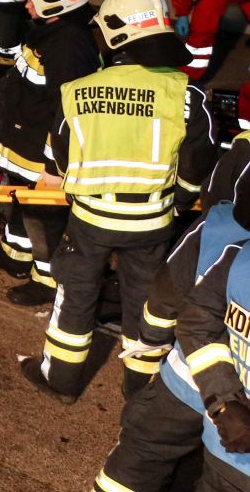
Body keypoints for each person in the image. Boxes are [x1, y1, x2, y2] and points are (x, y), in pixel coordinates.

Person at [19, 0, 218, 404]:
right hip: (153, 224)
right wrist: (179, 202)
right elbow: (198, 161)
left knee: (75, 294)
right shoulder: (187, 96)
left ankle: (61, 380)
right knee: (146, 305)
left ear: (113, 35)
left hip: (90, 219)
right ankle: (142, 389)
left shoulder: (77, 91)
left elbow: (60, 159)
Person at [93, 181, 250, 492]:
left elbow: (170, 294)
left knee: (139, 461)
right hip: (233, 427)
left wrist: (150, 341)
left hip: (187, 384)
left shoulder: (219, 226)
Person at [0, 0, 98, 306]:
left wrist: (53, 165)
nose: (26, 4)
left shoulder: (70, 46)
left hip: (40, 152)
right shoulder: (52, 31)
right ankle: (15, 257)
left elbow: (68, 111)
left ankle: (46, 279)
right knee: (16, 201)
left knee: (44, 217)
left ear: (54, 0)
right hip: (21, 139)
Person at [160, 238, 250, 491]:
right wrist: (225, 402)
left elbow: (197, 324)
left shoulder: (240, 259)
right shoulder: (240, 259)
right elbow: (198, 325)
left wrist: (226, 404)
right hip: (228, 452)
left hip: (229, 445)